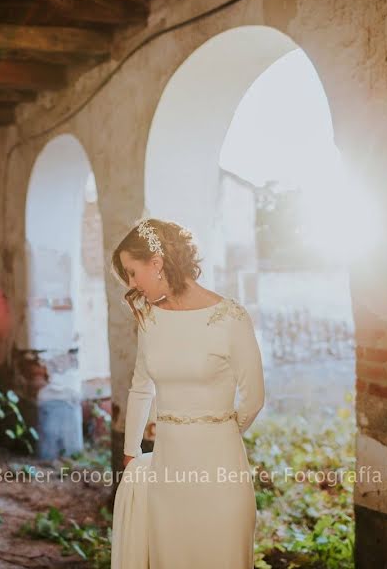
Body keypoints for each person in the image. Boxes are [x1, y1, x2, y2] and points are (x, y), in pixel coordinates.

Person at [109, 218, 265, 569]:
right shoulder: (149, 318)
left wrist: (216, 432)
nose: (132, 284)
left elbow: (253, 398)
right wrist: (131, 452)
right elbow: (140, 386)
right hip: (168, 472)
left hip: (221, 470)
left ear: (157, 263)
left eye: (133, 273)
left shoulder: (231, 318)